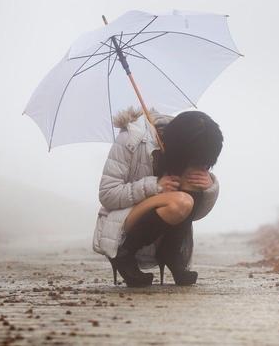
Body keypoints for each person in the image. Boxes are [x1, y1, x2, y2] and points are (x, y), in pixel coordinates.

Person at [92, 107, 223, 287]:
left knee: (188, 189)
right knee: (181, 201)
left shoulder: (188, 146)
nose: (197, 164)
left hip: (160, 220)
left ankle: (170, 251)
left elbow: (195, 213)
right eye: (194, 161)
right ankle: (125, 254)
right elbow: (107, 194)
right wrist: (155, 186)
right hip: (125, 221)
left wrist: (209, 187)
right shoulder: (130, 139)